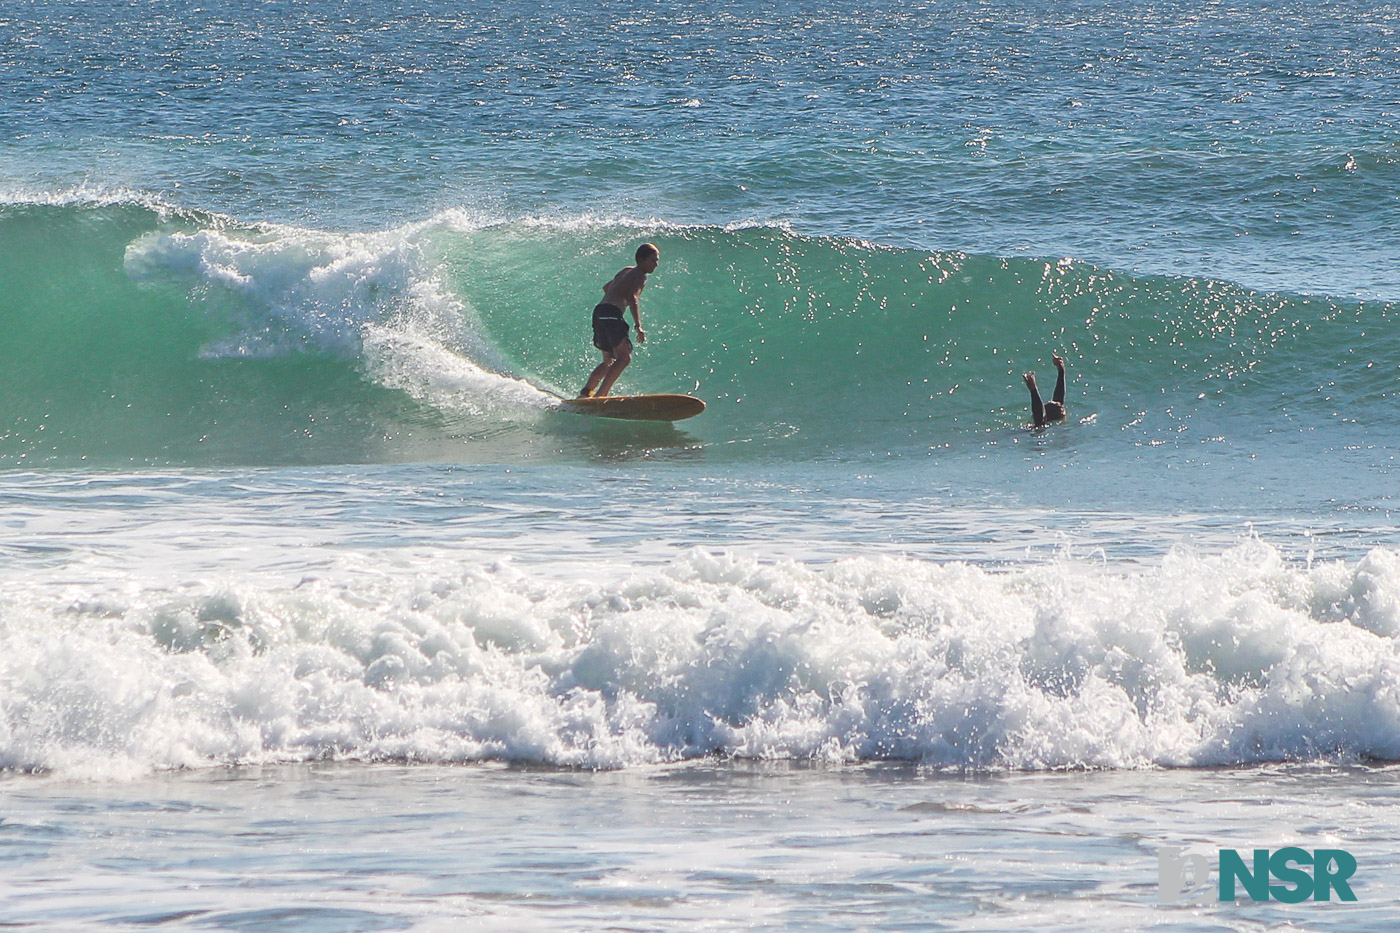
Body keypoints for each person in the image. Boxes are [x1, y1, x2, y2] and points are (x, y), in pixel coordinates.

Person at [578, 243, 659, 398]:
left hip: (599, 312)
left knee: (609, 361)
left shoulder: (626, 271)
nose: (656, 264)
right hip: (611, 314)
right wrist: (638, 326)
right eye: (652, 261)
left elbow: (607, 287)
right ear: (641, 260)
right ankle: (601, 395)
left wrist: (617, 295)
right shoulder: (640, 276)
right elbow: (632, 298)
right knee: (624, 357)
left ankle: (586, 393)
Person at [1023, 354, 1067, 427]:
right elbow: (1059, 400)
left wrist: (1033, 389)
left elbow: (1039, 417)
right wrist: (1061, 371)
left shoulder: (1041, 427)